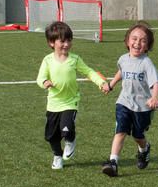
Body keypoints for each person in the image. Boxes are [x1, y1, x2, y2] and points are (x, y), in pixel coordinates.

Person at [36, 21, 110, 169]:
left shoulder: (74, 59)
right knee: (51, 137)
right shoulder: (48, 60)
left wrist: (101, 82)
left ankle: (71, 140)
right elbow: (40, 77)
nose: (66, 44)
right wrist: (44, 82)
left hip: (70, 102)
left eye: (69, 40)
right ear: (51, 42)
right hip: (53, 104)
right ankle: (57, 156)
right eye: (62, 41)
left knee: (66, 128)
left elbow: (88, 71)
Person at [101, 21, 158, 177]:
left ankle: (144, 148)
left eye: (142, 40)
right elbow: (121, 71)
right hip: (124, 102)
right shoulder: (123, 59)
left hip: (142, 107)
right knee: (120, 131)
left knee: (137, 135)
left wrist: (155, 97)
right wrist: (111, 84)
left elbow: (155, 82)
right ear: (127, 41)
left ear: (147, 46)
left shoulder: (147, 63)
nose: (137, 43)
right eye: (134, 39)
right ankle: (113, 162)